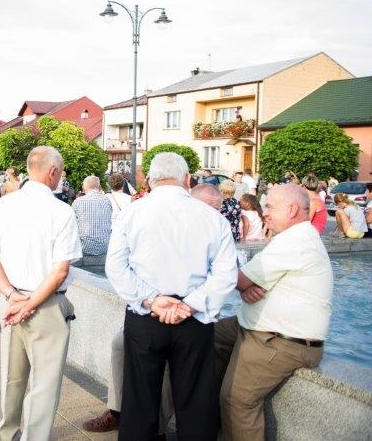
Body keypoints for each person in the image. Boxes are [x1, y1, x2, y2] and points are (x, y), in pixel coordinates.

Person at [105, 152, 237, 441]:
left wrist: (152, 300)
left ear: (150, 180)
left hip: (146, 316)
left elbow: (115, 267)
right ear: (187, 179)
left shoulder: (131, 213)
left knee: (139, 402)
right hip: (194, 320)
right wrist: (190, 305)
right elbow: (225, 274)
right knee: (196, 403)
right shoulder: (213, 218)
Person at [215, 184, 332, 441]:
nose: (264, 212)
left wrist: (243, 286)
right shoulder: (297, 237)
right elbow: (247, 284)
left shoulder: (294, 241)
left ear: (291, 209)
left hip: (279, 340)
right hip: (259, 328)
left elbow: (241, 280)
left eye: (269, 206)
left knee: (237, 400)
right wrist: (245, 289)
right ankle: (207, 421)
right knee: (206, 335)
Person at [0, 146, 82, 440]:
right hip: (46, 303)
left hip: (12, 300)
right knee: (44, 382)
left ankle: (7, 432)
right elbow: (60, 271)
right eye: (60, 172)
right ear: (53, 172)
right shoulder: (62, 212)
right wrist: (30, 304)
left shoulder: (2, 206)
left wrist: (11, 295)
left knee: (12, 376)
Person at [72, 175, 113, 268]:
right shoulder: (106, 201)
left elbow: (72, 225)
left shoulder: (78, 202)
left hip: (84, 247)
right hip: (105, 246)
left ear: (83, 187)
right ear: (99, 187)